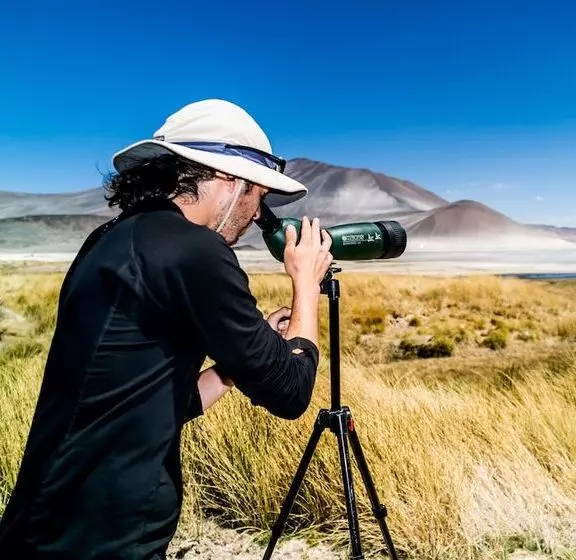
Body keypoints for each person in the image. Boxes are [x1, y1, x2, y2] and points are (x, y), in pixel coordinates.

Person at [0, 99, 333, 558]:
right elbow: (292, 393)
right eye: (259, 196)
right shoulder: (196, 250)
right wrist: (306, 285)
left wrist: (238, 363)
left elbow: (149, 401)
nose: (259, 215)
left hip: (47, 518)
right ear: (230, 179)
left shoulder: (112, 238)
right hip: (107, 537)